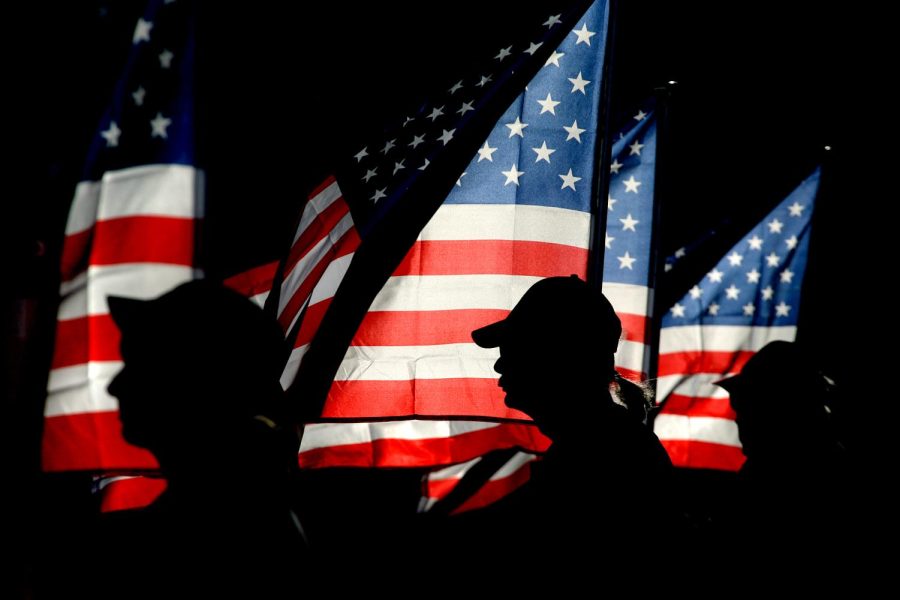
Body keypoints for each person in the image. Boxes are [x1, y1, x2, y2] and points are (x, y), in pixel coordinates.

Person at [433, 275, 674, 573]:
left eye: (514, 346)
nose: (499, 364)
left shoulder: (598, 455)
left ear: (555, 357)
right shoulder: (602, 443)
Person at [99, 280, 305, 595]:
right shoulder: (251, 505)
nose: (115, 386)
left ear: (196, 381)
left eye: (140, 365)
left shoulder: (217, 529)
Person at [716, 340, 853, 565]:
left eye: (747, 405)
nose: (738, 418)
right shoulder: (761, 472)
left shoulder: (795, 479)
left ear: (780, 408)